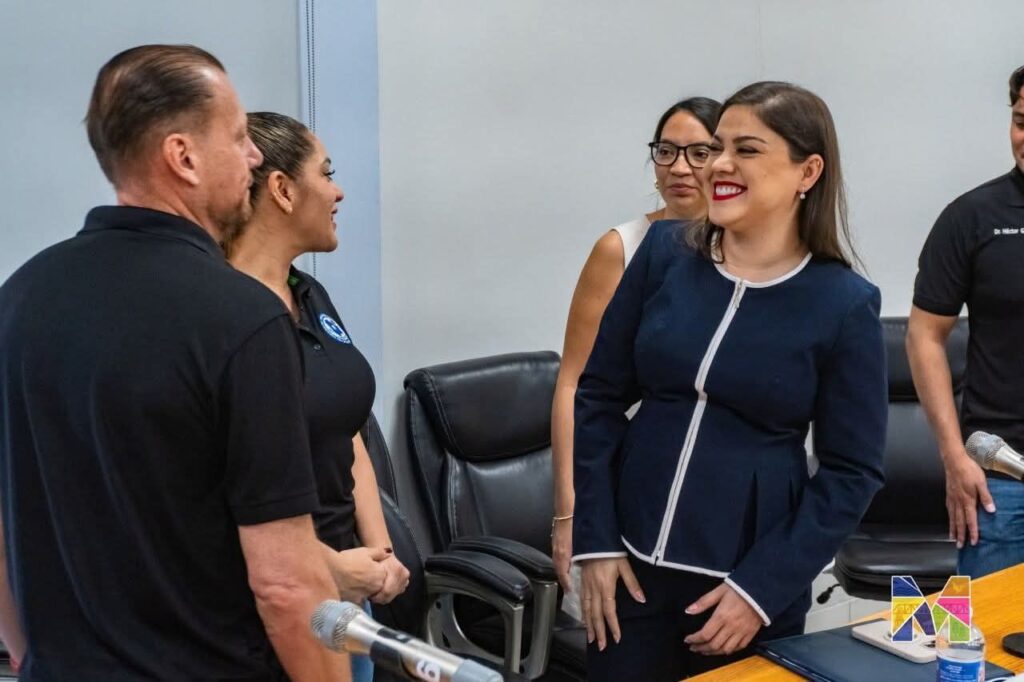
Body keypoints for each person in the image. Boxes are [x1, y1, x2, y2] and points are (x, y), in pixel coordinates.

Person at [0, 45, 345, 681]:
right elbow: (286, 585)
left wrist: (29, 658)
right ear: (183, 157)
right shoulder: (241, 319)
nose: (253, 156)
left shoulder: (18, 298)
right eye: (238, 137)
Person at [572, 81, 887, 680]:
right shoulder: (663, 254)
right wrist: (597, 541)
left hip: (741, 595)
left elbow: (853, 472)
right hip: (627, 573)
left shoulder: (844, 303)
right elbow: (597, 398)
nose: (718, 164)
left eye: (746, 149)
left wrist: (761, 589)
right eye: (717, 147)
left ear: (807, 172)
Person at [227, 111, 411, 682]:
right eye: (326, 174)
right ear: (282, 190)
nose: (338, 191)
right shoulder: (219, 312)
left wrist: (379, 556)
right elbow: (208, 491)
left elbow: (345, 430)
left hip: (347, 593)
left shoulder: (308, 292)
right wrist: (329, 568)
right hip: (265, 598)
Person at [550, 97, 721, 594]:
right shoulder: (622, 247)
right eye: (666, 151)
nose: (680, 168)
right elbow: (573, 385)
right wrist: (570, 512)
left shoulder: (750, 255)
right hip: (623, 478)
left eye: (698, 153)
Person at [907, 64, 1024, 578]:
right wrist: (954, 456)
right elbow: (924, 336)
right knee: (993, 628)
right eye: (1021, 121)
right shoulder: (972, 217)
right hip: (1002, 475)